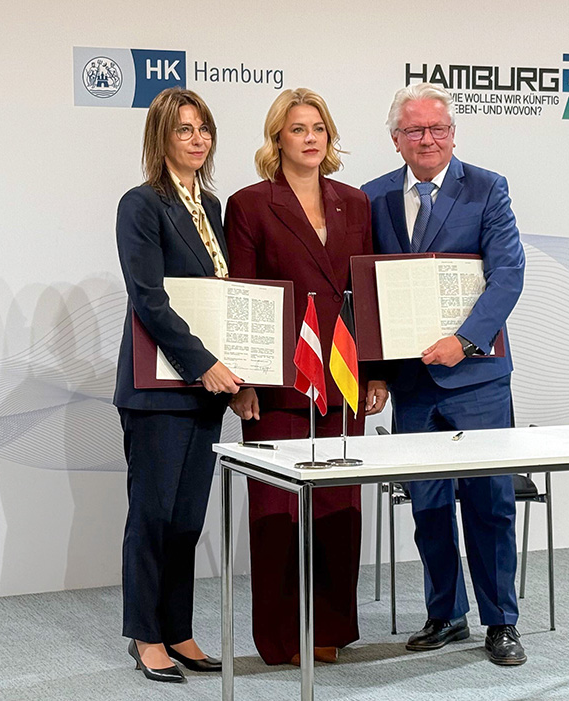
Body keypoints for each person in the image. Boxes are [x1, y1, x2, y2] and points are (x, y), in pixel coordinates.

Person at [361, 83, 527, 666]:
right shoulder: (372, 197)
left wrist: (465, 340)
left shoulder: (487, 188)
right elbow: (366, 290)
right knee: (428, 504)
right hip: (411, 382)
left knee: (489, 503)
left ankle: (501, 621)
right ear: (396, 139)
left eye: (437, 129)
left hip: (477, 376)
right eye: (414, 130)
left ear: (453, 134)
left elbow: (508, 275)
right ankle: (446, 614)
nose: (427, 139)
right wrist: (375, 372)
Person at [224, 87, 389, 666]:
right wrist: (243, 382)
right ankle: (282, 636)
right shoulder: (249, 204)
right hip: (278, 386)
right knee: (277, 515)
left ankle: (329, 630)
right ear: (278, 138)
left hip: (343, 380)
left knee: (339, 514)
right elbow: (243, 298)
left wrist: (375, 373)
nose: (311, 138)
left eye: (318, 128)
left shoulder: (355, 203)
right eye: (298, 128)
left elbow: (365, 292)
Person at [113, 87, 242, 684]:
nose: (197, 139)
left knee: (188, 518)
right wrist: (203, 363)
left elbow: (222, 299)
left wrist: (234, 377)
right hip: (158, 387)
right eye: (184, 129)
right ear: (160, 138)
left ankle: (179, 628)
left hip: (205, 390)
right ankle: (146, 635)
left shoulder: (210, 206)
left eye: (203, 128)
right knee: (153, 517)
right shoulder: (141, 204)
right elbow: (150, 300)